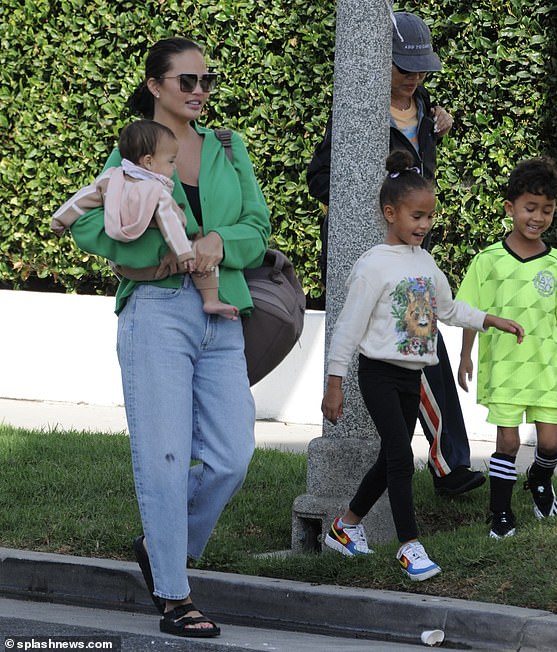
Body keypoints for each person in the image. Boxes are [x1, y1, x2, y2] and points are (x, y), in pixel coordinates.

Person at [68, 37, 270, 637]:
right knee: (163, 454)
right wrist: (158, 255)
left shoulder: (230, 148)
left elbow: (258, 228)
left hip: (222, 310)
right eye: (187, 82)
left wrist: (216, 245)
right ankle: (174, 595)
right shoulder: (131, 153)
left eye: (207, 81)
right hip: (156, 312)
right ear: (156, 86)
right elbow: (83, 223)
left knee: (233, 455)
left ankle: (158, 544)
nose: (200, 91)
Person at [321, 150, 524, 579]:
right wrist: (334, 383)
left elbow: (448, 309)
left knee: (389, 458)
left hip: (412, 376)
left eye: (429, 217)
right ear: (390, 213)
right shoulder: (373, 265)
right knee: (400, 454)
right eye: (416, 216)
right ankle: (409, 546)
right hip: (378, 373)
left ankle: (346, 526)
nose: (424, 225)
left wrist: (490, 320)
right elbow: (347, 328)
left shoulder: (425, 262)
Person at [307, 11, 485, 498]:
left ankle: (447, 464)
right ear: (377, 63)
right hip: (379, 261)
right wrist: (376, 205)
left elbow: (419, 172)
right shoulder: (357, 114)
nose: (414, 79)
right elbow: (319, 178)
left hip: (411, 258)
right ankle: (447, 466)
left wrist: (437, 130)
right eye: (404, 69)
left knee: (426, 350)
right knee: (423, 350)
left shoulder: (425, 107)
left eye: (420, 70)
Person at [456, 157, 557, 539]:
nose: (538, 217)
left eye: (547, 210)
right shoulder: (487, 261)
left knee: (550, 442)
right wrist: (466, 354)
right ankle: (500, 512)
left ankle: (540, 479)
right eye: (530, 208)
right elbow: (471, 312)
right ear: (511, 208)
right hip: (505, 366)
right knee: (507, 441)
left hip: (544, 366)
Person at [52, 119, 239, 319]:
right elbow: (170, 226)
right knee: (201, 255)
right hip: (164, 270)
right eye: (170, 161)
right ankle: (211, 300)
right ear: (149, 161)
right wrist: (184, 253)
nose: (174, 167)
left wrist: (60, 220)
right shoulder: (157, 191)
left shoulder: (112, 178)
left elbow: (82, 199)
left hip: (130, 269)